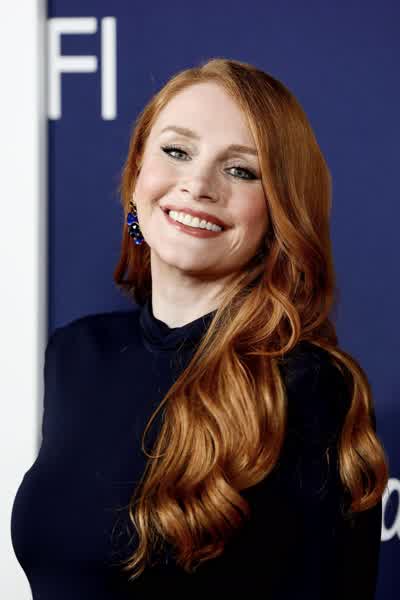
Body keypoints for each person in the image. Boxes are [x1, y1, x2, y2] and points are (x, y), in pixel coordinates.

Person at [11, 58, 389, 599]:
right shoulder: (76, 353)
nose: (198, 185)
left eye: (240, 171)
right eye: (177, 151)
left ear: (279, 210)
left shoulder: (309, 386)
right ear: (137, 174)